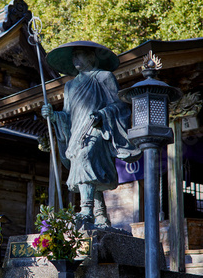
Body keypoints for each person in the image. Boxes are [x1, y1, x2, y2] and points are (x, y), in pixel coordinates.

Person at [42, 41, 140, 229]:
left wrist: (102, 114)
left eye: (79, 54)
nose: (75, 59)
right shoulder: (69, 86)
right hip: (76, 131)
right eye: (73, 56)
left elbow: (119, 105)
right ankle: (101, 215)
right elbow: (67, 114)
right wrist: (54, 115)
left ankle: (86, 211)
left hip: (97, 128)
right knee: (86, 166)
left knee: (85, 157)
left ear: (91, 56)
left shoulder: (104, 77)